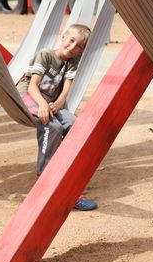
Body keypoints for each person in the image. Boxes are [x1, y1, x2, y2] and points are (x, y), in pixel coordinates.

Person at [20, 24, 96, 211]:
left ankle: (67, 178)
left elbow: (66, 90)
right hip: (29, 97)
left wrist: (58, 103)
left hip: (51, 102)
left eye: (79, 46)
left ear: (82, 51)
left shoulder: (73, 62)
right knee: (52, 126)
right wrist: (43, 104)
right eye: (71, 40)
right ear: (63, 37)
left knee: (76, 125)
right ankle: (45, 178)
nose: (72, 47)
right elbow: (32, 86)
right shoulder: (45, 55)